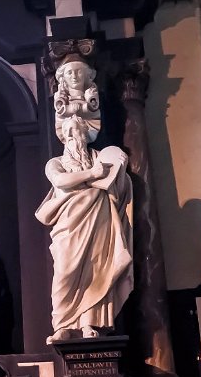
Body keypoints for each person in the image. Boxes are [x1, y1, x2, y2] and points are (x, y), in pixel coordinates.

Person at [36, 114, 133, 343]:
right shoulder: (56, 163)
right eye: (67, 131)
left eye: (75, 130)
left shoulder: (101, 157)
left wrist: (119, 168)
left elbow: (117, 188)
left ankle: (88, 323)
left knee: (95, 270)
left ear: (85, 134)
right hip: (68, 225)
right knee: (64, 272)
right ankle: (62, 325)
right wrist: (92, 175)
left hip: (99, 221)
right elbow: (60, 181)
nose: (71, 135)